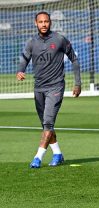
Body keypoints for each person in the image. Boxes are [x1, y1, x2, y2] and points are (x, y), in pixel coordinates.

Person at [16, 11, 81, 169]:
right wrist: (20, 70)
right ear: (35, 23)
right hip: (38, 87)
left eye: (46, 21)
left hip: (56, 86)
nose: (44, 24)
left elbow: (74, 59)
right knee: (46, 125)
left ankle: (38, 157)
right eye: (41, 22)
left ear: (50, 22)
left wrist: (77, 83)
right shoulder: (32, 42)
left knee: (48, 122)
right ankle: (57, 154)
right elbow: (24, 58)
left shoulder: (59, 39)